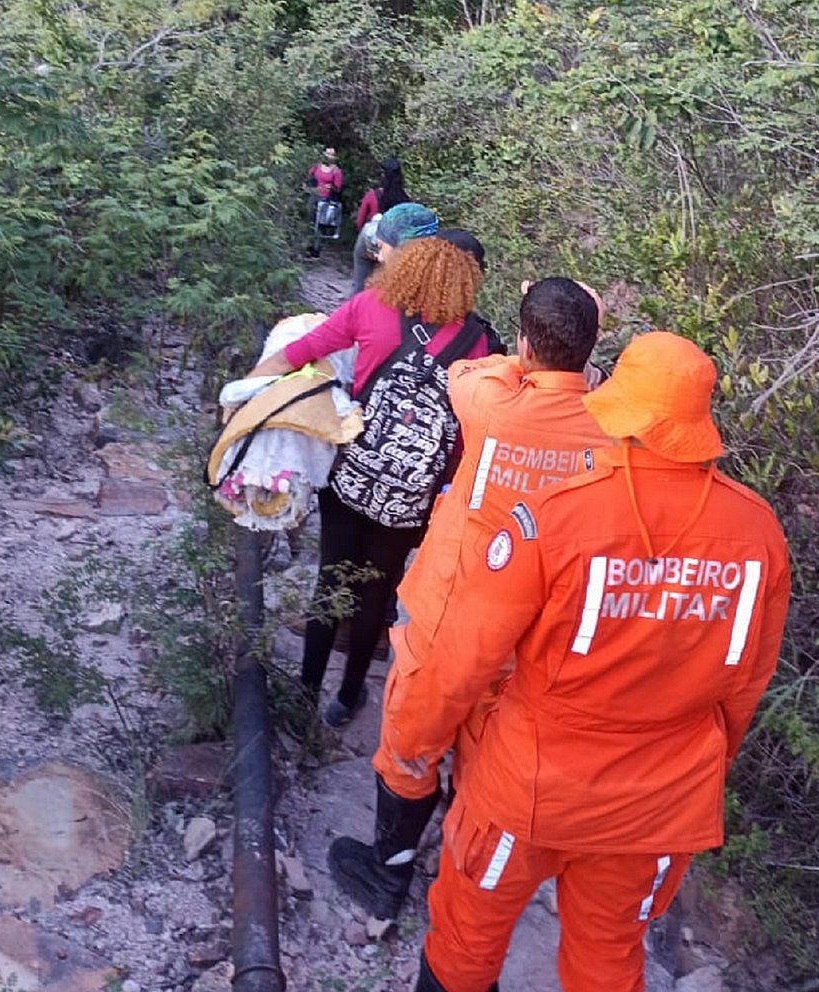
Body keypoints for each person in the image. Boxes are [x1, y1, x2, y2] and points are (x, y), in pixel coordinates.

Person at [369, 331, 791, 992]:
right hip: (661, 800)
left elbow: (463, 661)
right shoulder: (758, 531)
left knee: (467, 935)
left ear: (620, 408)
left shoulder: (554, 517)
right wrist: (698, 770)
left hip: (531, 785)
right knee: (608, 956)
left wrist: (415, 747)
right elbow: (744, 688)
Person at [326, 278, 610, 921]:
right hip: (530, 637)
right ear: (591, 349)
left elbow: (467, 367)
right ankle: (456, 872)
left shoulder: (491, 400)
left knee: (410, 742)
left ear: (528, 343)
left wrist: (530, 351)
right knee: (484, 754)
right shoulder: (609, 429)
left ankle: (387, 873)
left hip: (452, 617)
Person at [249, 235, 491, 728]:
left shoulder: (371, 307)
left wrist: (247, 399)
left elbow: (299, 354)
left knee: (331, 580)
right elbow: (470, 429)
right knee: (376, 594)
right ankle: (347, 699)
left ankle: (305, 693)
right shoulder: (480, 342)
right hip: (411, 494)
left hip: (351, 473)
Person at [353, 158, 412, 294]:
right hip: (392, 245)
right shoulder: (405, 200)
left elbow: (359, 221)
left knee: (359, 282)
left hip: (369, 239)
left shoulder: (372, 195)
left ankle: (354, 309)